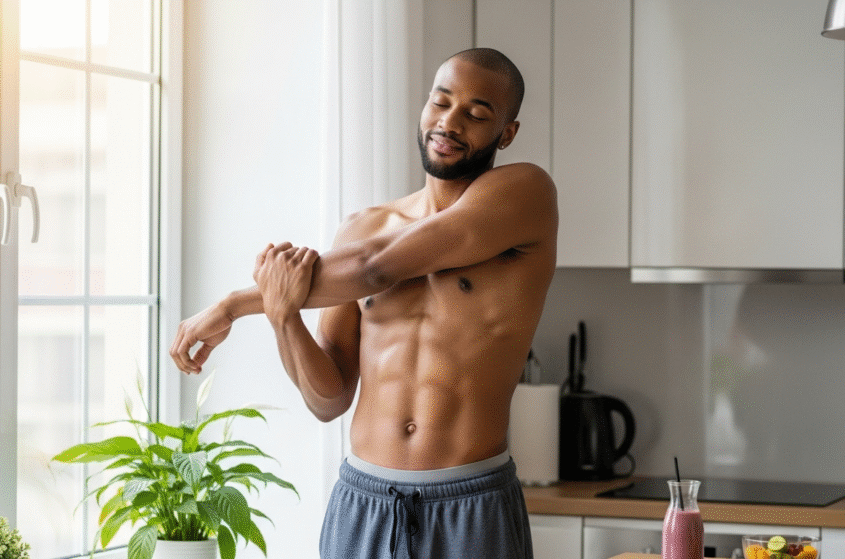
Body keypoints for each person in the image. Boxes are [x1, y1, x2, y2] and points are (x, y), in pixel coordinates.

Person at [171, 47, 558, 559]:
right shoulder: (362, 227)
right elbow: (327, 399)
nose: (449, 122)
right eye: (440, 102)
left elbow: (377, 267)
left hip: (471, 501)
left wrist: (233, 304)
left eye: (476, 113)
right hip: (363, 501)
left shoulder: (525, 194)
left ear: (506, 133)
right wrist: (283, 316)